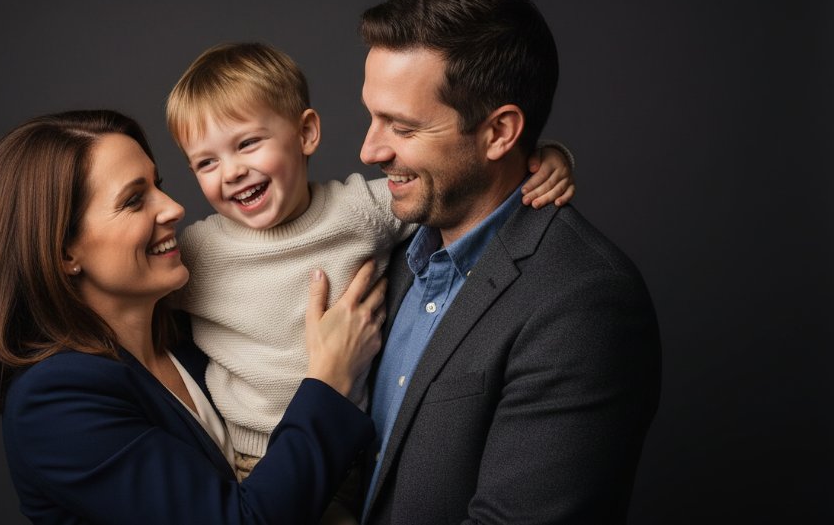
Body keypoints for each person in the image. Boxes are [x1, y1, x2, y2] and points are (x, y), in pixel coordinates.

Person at [0, 110, 388, 524]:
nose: (173, 208)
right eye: (135, 200)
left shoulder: (191, 333)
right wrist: (330, 378)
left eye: (158, 184)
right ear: (64, 254)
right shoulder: (52, 405)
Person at [164, 42, 576, 485]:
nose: (231, 172)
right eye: (206, 162)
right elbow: (124, 299)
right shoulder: (199, 252)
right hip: (253, 466)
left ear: (306, 133)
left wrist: (548, 158)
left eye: (247, 144)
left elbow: (460, 185)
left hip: (354, 460)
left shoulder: (358, 209)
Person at [357, 0, 661, 524]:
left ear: (499, 132)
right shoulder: (390, 245)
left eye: (401, 126)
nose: (369, 149)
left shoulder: (585, 301)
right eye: (372, 116)